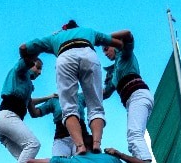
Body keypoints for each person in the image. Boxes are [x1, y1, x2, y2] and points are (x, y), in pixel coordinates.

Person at [20, 21, 123, 154]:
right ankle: (96, 143)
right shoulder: (89, 31)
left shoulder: (55, 37)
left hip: (65, 57)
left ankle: (80, 146)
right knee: (96, 106)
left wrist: (27, 63)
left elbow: (23, 47)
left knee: (68, 108)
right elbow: (117, 43)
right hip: (88, 54)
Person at [0, 57, 56, 163]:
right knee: (33, 144)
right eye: (38, 67)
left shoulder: (26, 86)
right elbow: (23, 63)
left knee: (26, 160)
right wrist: (34, 50)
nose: (39, 72)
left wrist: (49, 97)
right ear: (29, 65)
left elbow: (30, 103)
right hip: (8, 117)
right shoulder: (20, 72)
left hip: (2, 124)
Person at [102, 31, 154, 161]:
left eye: (106, 48)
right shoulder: (114, 74)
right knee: (134, 139)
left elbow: (128, 34)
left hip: (138, 95)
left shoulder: (124, 55)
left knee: (134, 135)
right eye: (103, 51)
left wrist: (102, 37)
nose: (105, 53)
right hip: (131, 101)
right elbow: (105, 93)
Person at [34, 93, 89, 163]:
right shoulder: (54, 101)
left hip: (80, 138)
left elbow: (101, 94)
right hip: (61, 139)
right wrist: (46, 97)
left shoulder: (81, 97)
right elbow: (34, 112)